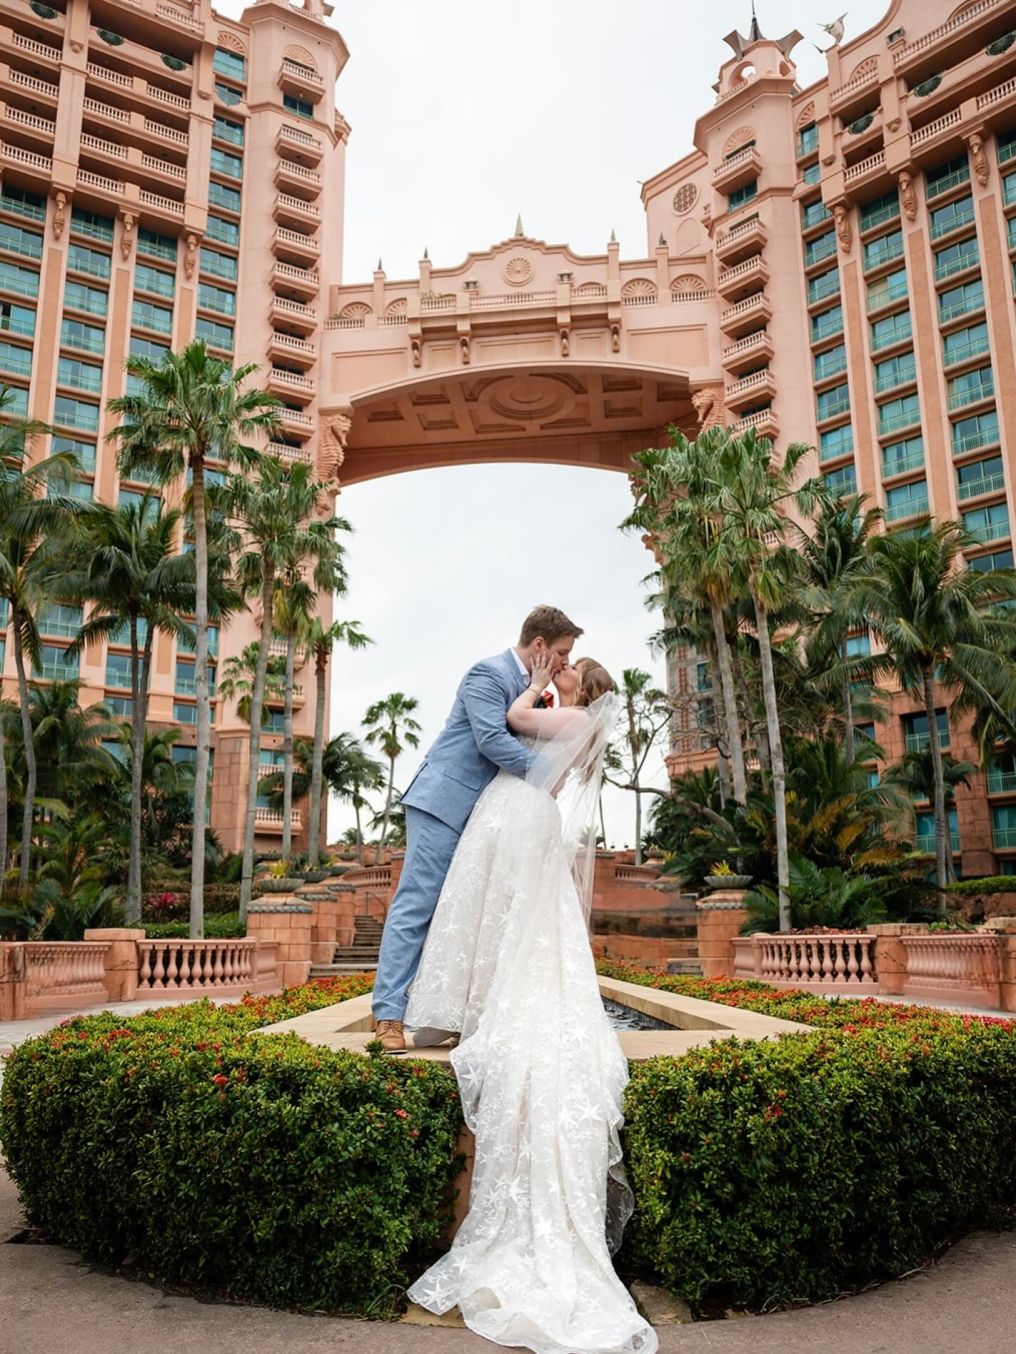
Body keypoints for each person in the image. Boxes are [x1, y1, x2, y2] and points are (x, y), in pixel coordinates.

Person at [404, 657, 657, 1354]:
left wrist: (534, 678)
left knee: (508, 921)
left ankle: (481, 1008)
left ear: (584, 688)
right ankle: (483, 1003)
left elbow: (514, 721)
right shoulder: (579, 723)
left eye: (572, 665)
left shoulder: (568, 715)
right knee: (519, 926)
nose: (563, 667)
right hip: (528, 817)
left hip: (517, 814)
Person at [370, 605, 584, 1054]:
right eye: (562, 652)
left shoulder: (533, 690)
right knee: (418, 903)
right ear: (540, 645)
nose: (566, 661)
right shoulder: (485, 675)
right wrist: (548, 774)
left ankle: (445, 1013)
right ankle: (388, 1016)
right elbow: (491, 739)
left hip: (486, 819)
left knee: (457, 913)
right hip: (444, 803)